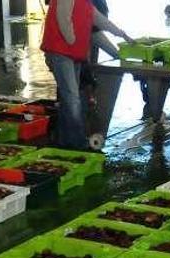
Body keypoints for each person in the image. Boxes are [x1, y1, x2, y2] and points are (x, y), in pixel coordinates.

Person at [41, 0, 132, 150]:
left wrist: (121, 34)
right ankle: (78, 143)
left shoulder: (87, 2)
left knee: (68, 99)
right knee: (72, 98)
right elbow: (62, 17)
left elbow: (98, 19)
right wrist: (72, 39)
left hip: (73, 53)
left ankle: (64, 140)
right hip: (61, 52)